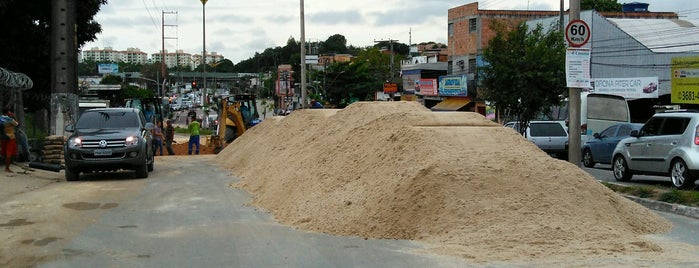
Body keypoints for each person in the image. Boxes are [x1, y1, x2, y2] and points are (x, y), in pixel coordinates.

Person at [1, 108, 19, 173]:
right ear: (8, 112)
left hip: (2, 137)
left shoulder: (0, 118)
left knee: (4, 152)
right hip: (10, 137)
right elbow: (17, 124)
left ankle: (6, 165)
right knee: (9, 152)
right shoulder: (10, 119)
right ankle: (7, 168)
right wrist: (13, 116)